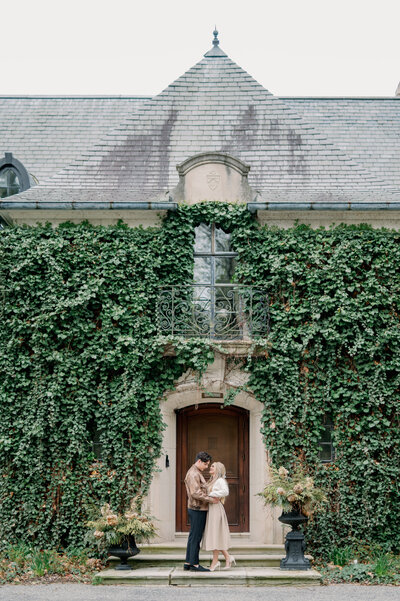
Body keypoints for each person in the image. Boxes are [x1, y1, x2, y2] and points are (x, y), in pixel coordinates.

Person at [183, 451, 220, 572]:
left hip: (196, 508)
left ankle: (188, 562)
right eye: (205, 464)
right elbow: (195, 493)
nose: (207, 467)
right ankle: (194, 564)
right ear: (199, 461)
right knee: (196, 537)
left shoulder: (195, 472)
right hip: (198, 508)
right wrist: (210, 499)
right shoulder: (193, 473)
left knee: (193, 536)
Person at [202, 461, 235, 571]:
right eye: (210, 466)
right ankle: (227, 557)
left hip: (216, 509)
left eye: (212, 466)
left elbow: (225, 492)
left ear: (218, 469)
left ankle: (215, 562)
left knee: (215, 534)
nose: (210, 467)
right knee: (214, 535)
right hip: (210, 509)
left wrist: (211, 494)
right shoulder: (212, 480)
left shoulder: (220, 480)